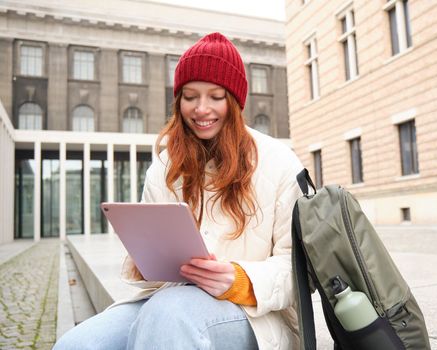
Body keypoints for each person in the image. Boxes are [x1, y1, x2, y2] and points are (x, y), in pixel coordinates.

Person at [53, 32, 304, 350]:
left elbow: (297, 272)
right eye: (190, 96)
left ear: (235, 99)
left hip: (256, 317)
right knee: (76, 344)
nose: (201, 109)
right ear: (178, 100)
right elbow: (152, 277)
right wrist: (144, 262)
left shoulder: (279, 161)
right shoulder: (164, 165)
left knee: (169, 315)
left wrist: (237, 279)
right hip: (168, 299)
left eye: (216, 96)